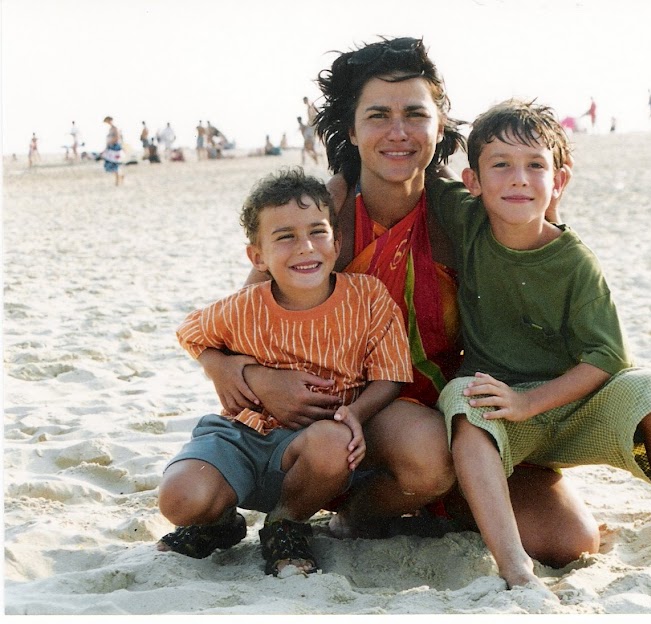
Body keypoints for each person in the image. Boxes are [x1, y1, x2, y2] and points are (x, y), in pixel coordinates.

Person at [201, 38, 593, 569]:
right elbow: (238, 319)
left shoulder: (464, 215)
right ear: (351, 128)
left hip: (456, 415)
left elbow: (549, 281)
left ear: (440, 124)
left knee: (568, 540)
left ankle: (404, 501)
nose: (398, 132)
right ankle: (336, 510)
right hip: (339, 414)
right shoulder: (325, 216)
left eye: (415, 114)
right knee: (424, 457)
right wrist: (238, 370)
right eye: (378, 115)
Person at [430, 99, 651, 592]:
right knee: (465, 396)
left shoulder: (575, 262)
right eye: (501, 165)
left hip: (570, 409)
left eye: (535, 165)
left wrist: (531, 402)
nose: (519, 179)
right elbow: (415, 164)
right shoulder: (467, 218)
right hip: (500, 413)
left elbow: (607, 357)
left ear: (558, 181)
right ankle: (516, 569)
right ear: (472, 181)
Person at [157, 168, 412, 576]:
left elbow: (391, 374)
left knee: (335, 442)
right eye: (285, 237)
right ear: (257, 257)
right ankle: (220, 524)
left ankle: (285, 523)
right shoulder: (245, 305)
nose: (305, 247)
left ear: (337, 242)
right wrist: (221, 365)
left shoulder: (367, 297)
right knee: (179, 499)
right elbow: (191, 332)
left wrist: (356, 413)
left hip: (313, 448)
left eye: (317, 232)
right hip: (242, 434)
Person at [101, 116, 125, 185]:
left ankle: (117, 181)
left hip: (114, 147)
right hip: (111, 147)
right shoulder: (111, 129)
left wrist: (110, 142)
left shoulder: (115, 128)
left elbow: (117, 138)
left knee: (114, 164)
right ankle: (120, 177)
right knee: (111, 164)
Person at [300, 96, 321, 165]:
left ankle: (315, 160)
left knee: (308, 147)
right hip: (311, 127)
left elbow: (312, 117)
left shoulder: (310, 107)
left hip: (312, 127)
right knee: (308, 148)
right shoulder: (311, 106)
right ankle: (315, 160)